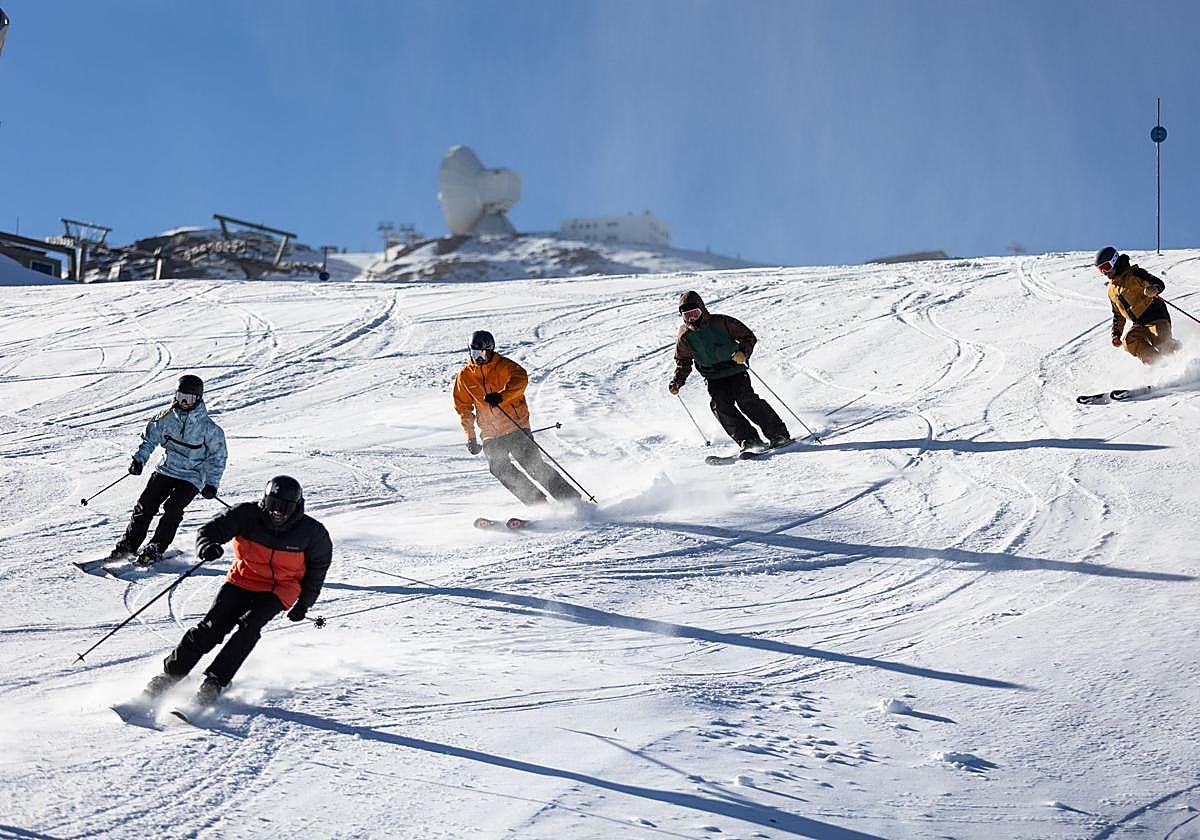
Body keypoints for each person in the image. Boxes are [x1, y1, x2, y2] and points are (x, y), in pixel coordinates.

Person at [140, 476, 333, 706]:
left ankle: (216, 681)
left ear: (297, 506)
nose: (277, 512)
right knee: (211, 627)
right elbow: (209, 531)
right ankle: (170, 674)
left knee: (249, 627)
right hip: (243, 579)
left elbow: (317, 570)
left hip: (281, 588)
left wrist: (304, 604)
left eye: (285, 507)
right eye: (273, 505)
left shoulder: (312, 533)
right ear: (264, 501)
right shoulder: (246, 515)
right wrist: (207, 547)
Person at [453, 330, 581, 506]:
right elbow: (463, 408)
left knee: (533, 465)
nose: (480, 358)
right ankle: (537, 503)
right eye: (475, 353)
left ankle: (570, 499)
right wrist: (471, 437)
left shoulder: (504, 366)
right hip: (490, 432)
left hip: (515, 425)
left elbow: (521, 379)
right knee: (499, 468)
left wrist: (502, 396)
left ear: (491, 351)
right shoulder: (465, 377)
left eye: (483, 353)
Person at [111, 374, 227, 566]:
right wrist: (139, 460)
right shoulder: (165, 418)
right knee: (145, 505)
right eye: (180, 396)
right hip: (167, 469)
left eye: (188, 398)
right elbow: (149, 439)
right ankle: (129, 545)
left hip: (193, 477)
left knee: (173, 509)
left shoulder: (209, 429)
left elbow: (218, 458)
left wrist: (211, 484)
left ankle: (156, 546)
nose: (183, 402)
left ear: (198, 399)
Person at [669, 290, 790, 451]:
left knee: (746, 399)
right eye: (687, 316)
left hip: (735, 369)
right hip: (713, 376)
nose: (691, 319)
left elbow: (748, 337)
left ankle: (778, 434)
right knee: (720, 405)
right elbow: (683, 361)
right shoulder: (685, 336)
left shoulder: (721, 322)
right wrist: (677, 381)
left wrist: (743, 353)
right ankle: (749, 440)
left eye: (694, 313)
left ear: (702, 310)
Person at [1095, 246, 1181, 364]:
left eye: (1106, 267)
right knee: (1130, 341)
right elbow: (1118, 314)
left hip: (1156, 315)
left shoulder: (1134, 274)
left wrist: (1154, 289)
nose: (1105, 272)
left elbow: (1158, 283)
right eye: (1100, 270)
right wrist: (1116, 334)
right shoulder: (1112, 291)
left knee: (1162, 343)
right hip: (1140, 323)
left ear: (1114, 261)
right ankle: (1159, 365)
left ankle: (1186, 357)